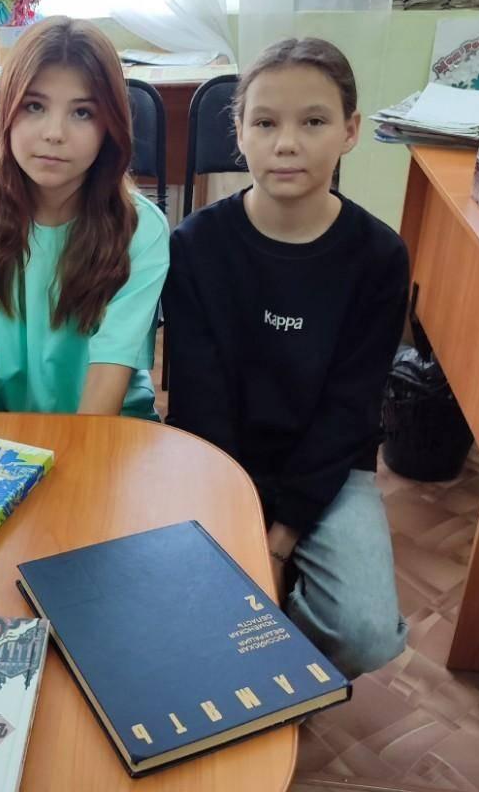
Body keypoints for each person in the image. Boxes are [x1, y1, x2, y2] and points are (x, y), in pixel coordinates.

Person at [164, 38, 409, 678]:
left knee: (364, 635)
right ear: (240, 132)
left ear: (350, 131)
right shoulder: (196, 246)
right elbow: (199, 404)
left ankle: (287, 658)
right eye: (266, 122)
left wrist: (277, 544)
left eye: (314, 121)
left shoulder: (379, 257)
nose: (287, 144)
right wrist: (242, 524)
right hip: (219, 458)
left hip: (330, 469)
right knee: (175, 604)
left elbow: (349, 413)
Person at [0, 16, 169, 419]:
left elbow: (106, 384)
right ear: (6, 111)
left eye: (82, 113)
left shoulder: (142, 231)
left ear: (110, 127)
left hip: (110, 431)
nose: (54, 133)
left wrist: (69, 460)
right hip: (8, 434)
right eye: (34, 106)